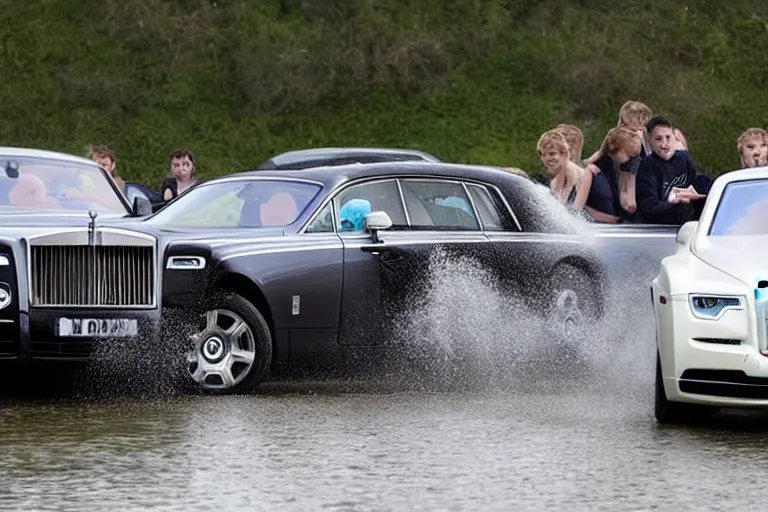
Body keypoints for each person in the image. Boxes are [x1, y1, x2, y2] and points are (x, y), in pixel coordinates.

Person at [635, 116, 711, 225]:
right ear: (649, 140)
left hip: (689, 225)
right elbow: (648, 207)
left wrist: (696, 197)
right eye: (658, 139)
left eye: (668, 137)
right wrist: (675, 203)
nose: (664, 144)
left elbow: (694, 188)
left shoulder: (684, 158)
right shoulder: (647, 165)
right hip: (660, 228)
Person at [537, 130, 590, 211]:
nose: (547, 159)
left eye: (552, 154)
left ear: (564, 153)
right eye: (543, 154)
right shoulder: (554, 183)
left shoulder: (582, 178)